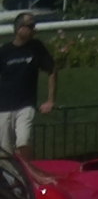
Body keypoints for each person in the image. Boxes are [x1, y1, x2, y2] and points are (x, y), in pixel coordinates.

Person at [0, 12, 56, 159]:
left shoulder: (37, 48)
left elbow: (51, 71)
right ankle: (11, 180)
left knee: (23, 142)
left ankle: (28, 173)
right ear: (19, 29)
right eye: (30, 26)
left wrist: (50, 100)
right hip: (4, 107)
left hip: (25, 105)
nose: (34, 29)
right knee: (4, 150)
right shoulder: (5, 51)